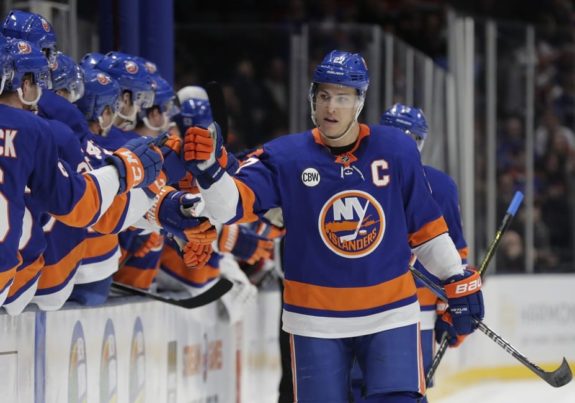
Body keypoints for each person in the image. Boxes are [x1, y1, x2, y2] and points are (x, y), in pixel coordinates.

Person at [183, 50, 485, 402]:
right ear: (312, 98)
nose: (331, 107)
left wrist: (455, 277)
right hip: (314, 320)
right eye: (324, 95)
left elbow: (427, 231)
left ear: (359, 102)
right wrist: (208, 171)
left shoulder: (397, 151)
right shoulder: (285, 157)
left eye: (342, 97)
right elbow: (228, 206)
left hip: (390, 314)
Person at [0, 37, 163, 307]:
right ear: (24, 83)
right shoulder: (38, 129)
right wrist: (122, 171)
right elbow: (74, 202)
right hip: (21, 280)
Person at [349, 104, 470, 402]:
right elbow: (458, 254)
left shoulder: (352, 176)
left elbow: (455, 254)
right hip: (382, 309)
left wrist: (451, 304)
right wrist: (451, 304)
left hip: (388, 308)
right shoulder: (438, 183)